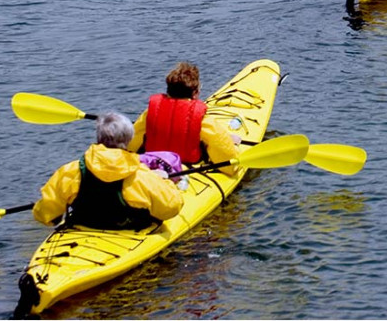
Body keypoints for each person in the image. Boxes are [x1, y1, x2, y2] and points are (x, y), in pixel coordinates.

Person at [32, 112, 184, 229]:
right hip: (130, 230)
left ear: (99, 137)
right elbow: (171, 209)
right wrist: (166, 181)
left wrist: (51, 214)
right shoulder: (141, 175)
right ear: (129, 139)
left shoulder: (69, 171)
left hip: (85, 227)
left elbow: (44, 214)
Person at [128, 62, 240, 175]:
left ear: (168, 91)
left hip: (153, 165)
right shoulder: (204, 120)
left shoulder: (149, 113)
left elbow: (130, 145)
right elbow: (229, 165)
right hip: (188, 170)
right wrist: (233, 145)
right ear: (195, 93)